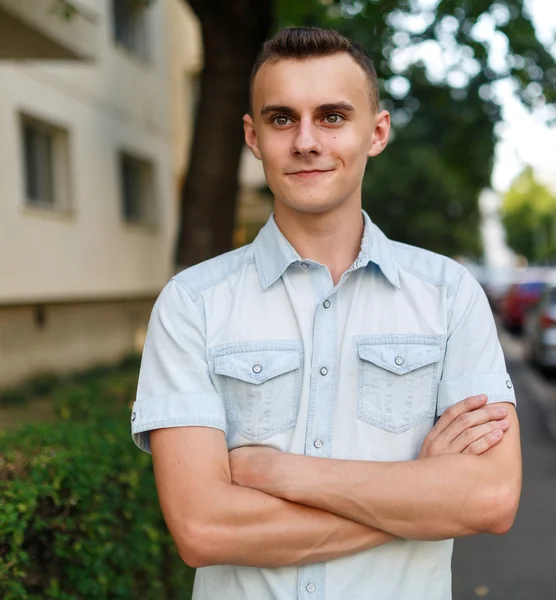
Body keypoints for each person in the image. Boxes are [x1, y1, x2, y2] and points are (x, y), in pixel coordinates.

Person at [131, 27, 521, 600]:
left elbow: (489, 499)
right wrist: (419, 496)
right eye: (282, 118)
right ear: (253, 136)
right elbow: (202, 528)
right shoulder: (191, 303)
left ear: (377, 132)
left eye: (333, 117)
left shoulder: (449, 295)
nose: (306, 141)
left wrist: (279, 473)